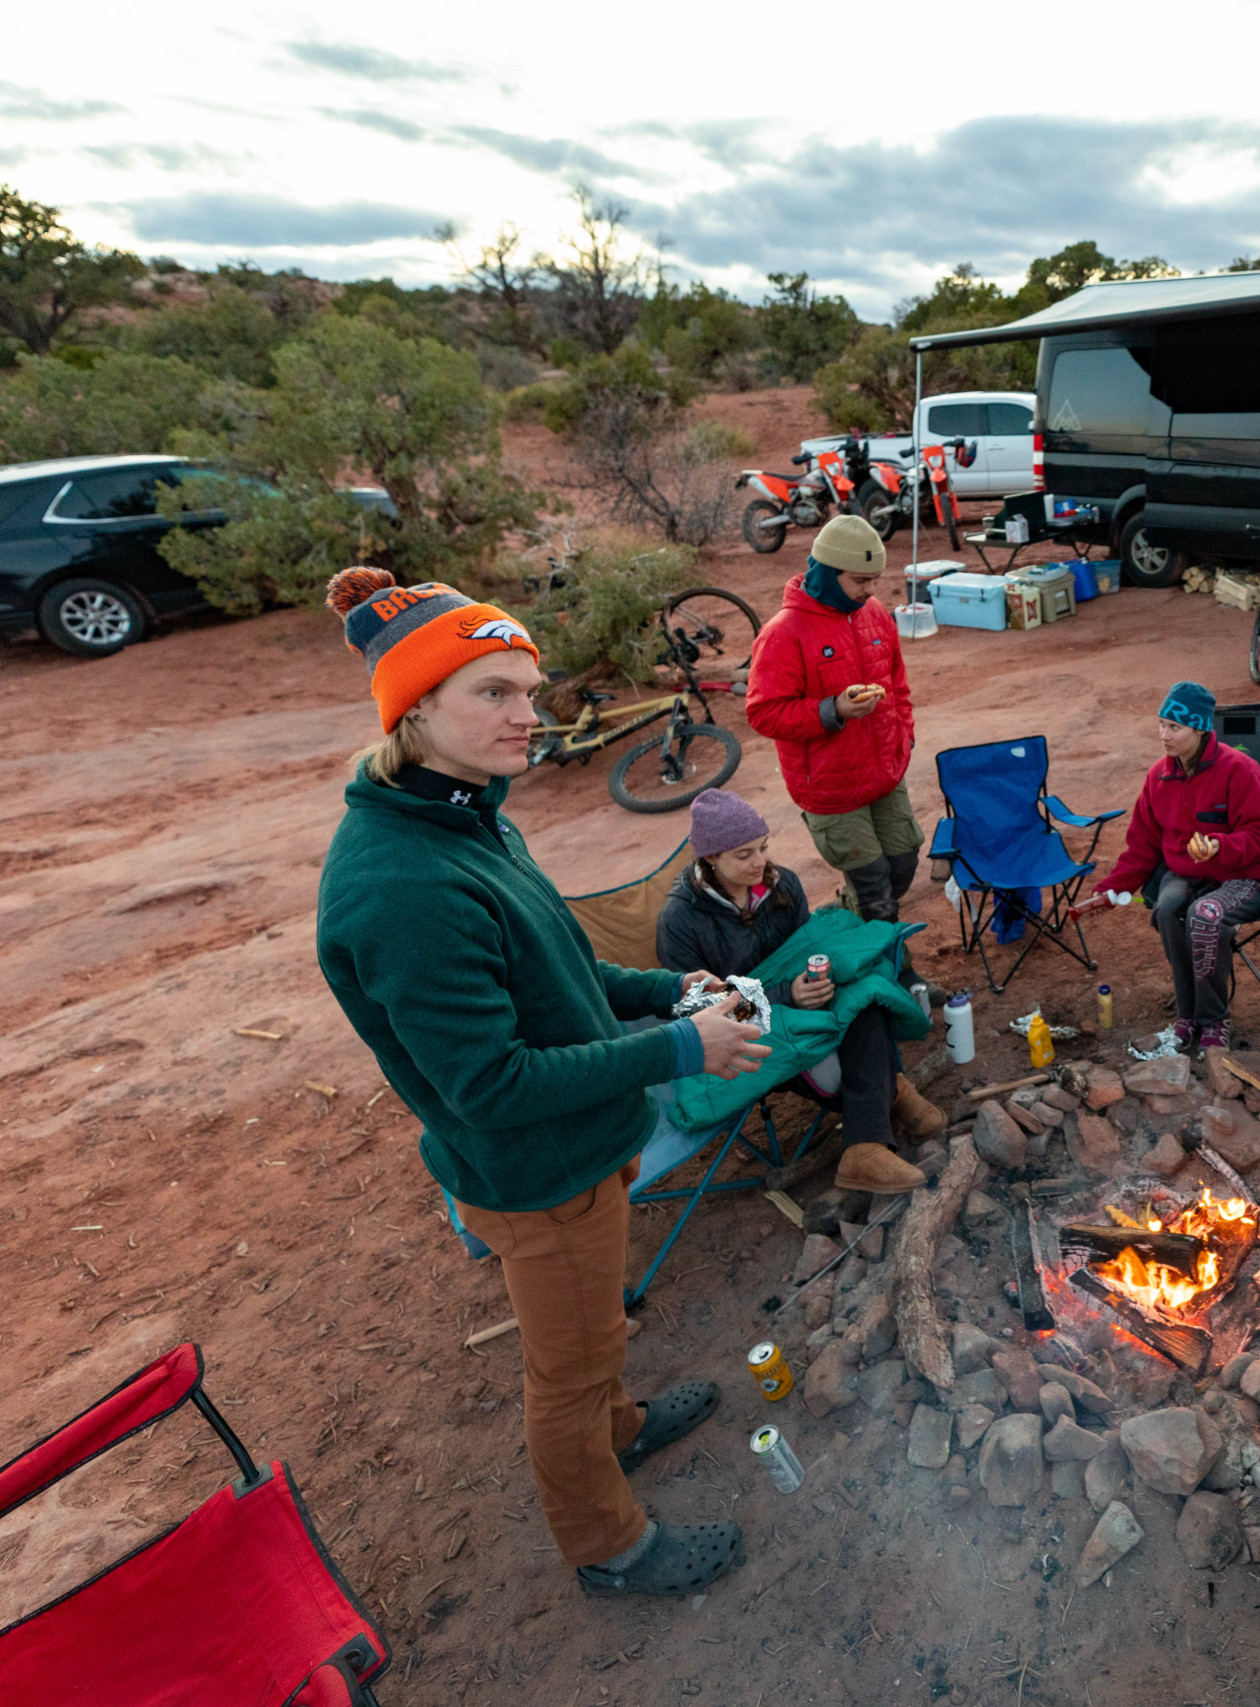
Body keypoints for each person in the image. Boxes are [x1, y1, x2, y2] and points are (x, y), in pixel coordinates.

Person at [314, 568, 770, 1600]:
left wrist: (665, 989)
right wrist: (681, 1047)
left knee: (597, 1331)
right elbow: (493, 1085)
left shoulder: (470, 817)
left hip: (585, 1139)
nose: (532, 714)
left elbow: (557, 965)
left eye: (529, 689)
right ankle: (609, 1545)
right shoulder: (401, 884)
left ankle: (624, 1427)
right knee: (566, 1371)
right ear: (415, 708)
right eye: (494, 692)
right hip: (534, 1168)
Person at [656, 786, 943, 1194]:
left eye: (763, 847)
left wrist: (814, 982)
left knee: (866, 993)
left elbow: (805, 949)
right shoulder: (680, 920)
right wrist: (785, 995)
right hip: (746, 1024)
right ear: (711, 858)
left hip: (801, 1001)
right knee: (835, 1071)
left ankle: (864, 1148)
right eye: (744, 855)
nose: (760, 862)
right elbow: (698, 1009)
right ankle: (891, 1096)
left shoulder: (782, 885)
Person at [743, 514, 921, 923]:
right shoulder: (784, 632)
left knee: (903, 863)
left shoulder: (874, 613)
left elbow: (897, 684)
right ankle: (884, 958)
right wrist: (833, 710)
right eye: (860, 581)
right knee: (875, 892)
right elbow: (763, 712)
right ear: (827, 571)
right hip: (831, 785)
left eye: (874, 580)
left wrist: (904, 736)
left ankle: (843, 914)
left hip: (885, 771)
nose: (870, 590)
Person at [1089, 681, 1260, 1052]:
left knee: (1205, 915)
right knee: (1167, 909)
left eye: (1174, 727)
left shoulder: (1240, 770)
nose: (1164, 735)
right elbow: (1142, 847)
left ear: (1200, 728)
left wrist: (1219, 846)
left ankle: (1214, 1019)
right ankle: (1187, 1014)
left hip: (1245, 874)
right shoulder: (1158, 777)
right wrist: (1110, 891)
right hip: (1187, 873)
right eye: (1161, 724)